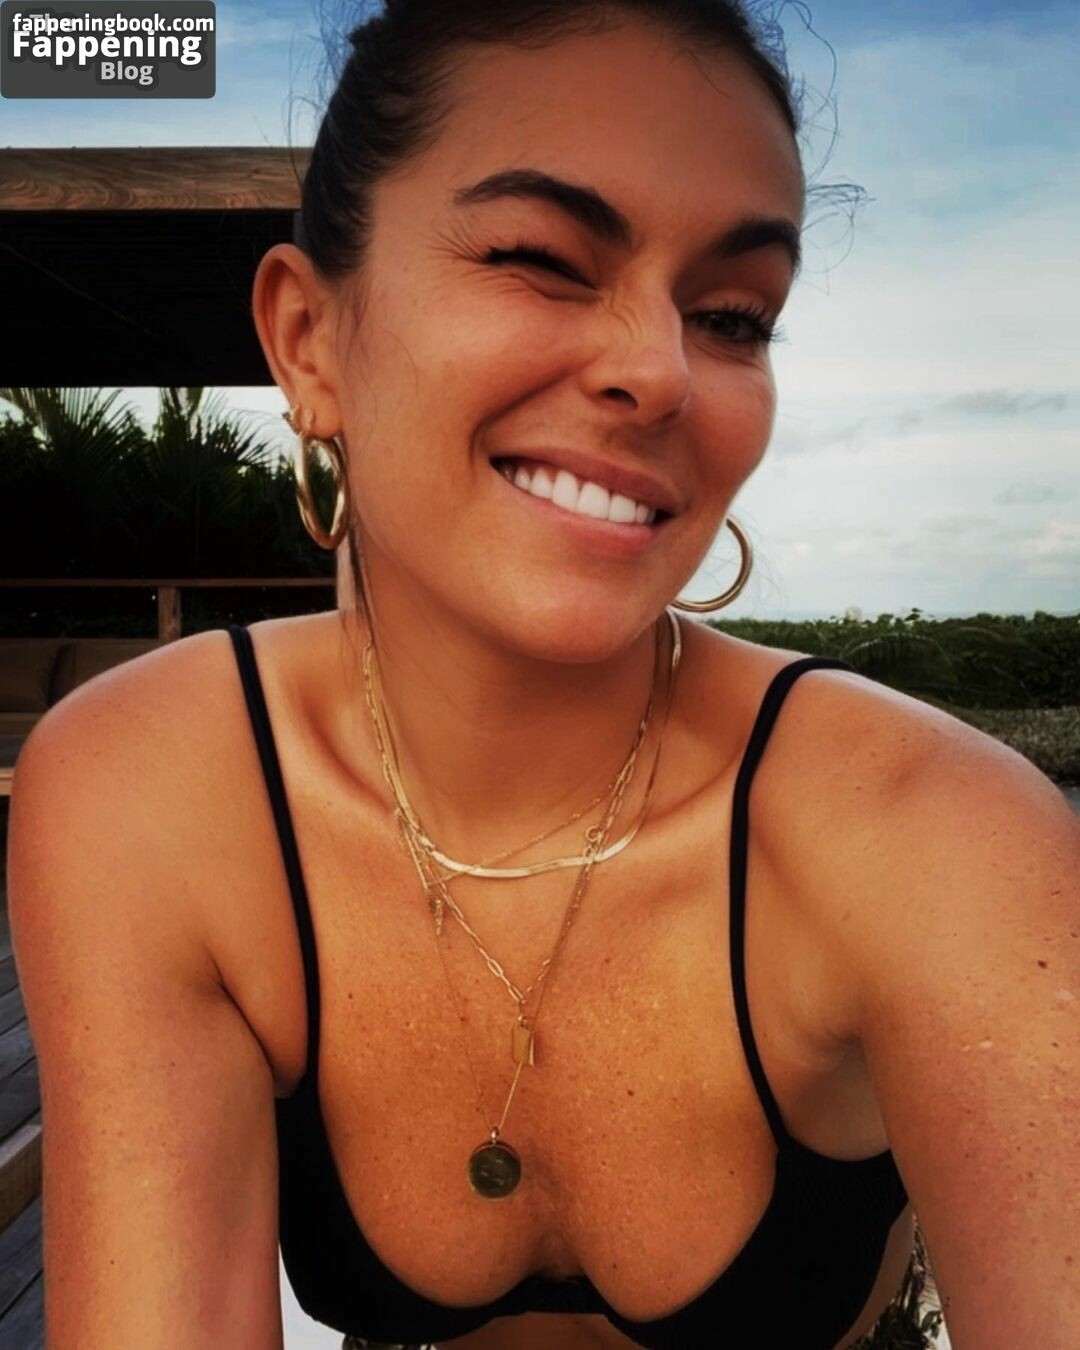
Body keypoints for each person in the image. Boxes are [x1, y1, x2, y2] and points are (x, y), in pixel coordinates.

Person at [8, 2, 1078, 1348]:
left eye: (733, 314)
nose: (659, 370)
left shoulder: (934, 836)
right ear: (309, 339)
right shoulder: (160, 793)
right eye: (540, 260)